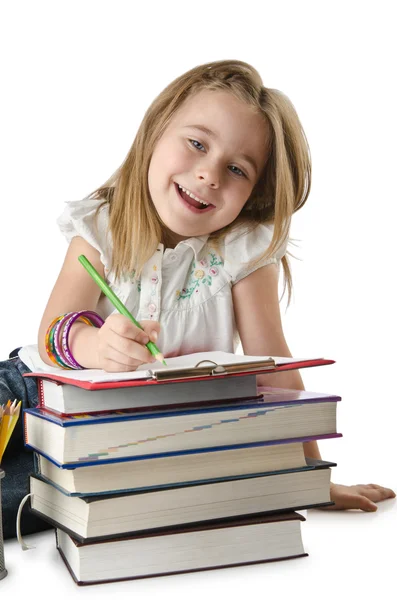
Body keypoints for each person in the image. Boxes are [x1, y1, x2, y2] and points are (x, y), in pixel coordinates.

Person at [1, 61, 394, 538]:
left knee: (22, 503)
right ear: (156, 131)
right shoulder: (102, 225)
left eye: (236, 168)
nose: (208, 174)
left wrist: (310, 476)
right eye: (196, 144)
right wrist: (93, 346)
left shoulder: (240, 252)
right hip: (33, 401)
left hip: (123, 442)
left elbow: (276, 368)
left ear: (251, 194)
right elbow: (50, 333)